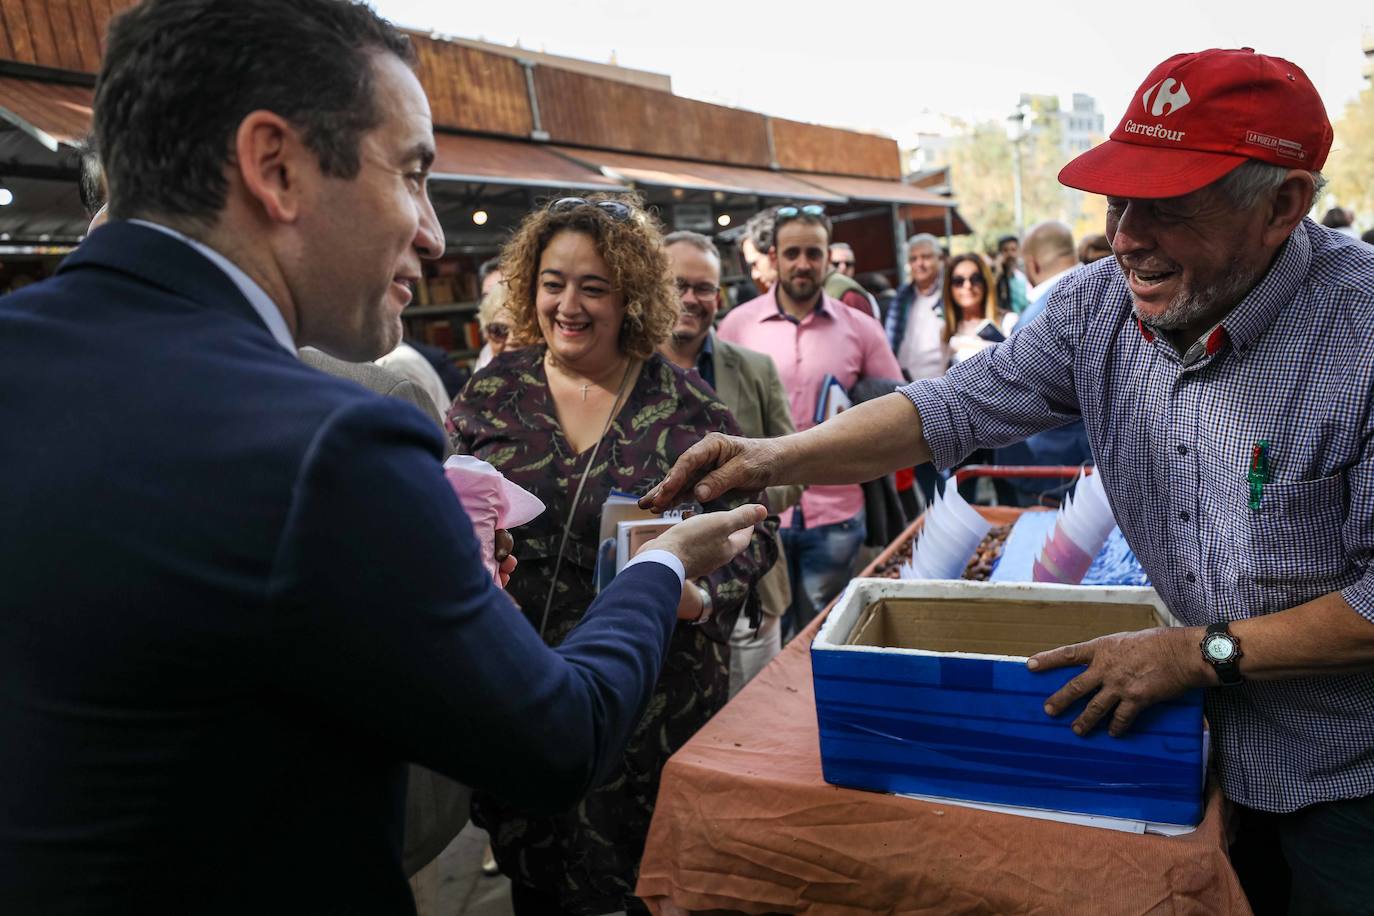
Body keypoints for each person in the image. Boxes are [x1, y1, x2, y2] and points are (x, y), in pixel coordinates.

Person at [0, 2, 766, 912]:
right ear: (275, 167)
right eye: (412, 174)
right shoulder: (329, 445)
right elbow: (556, 741)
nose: (434, 233)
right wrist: (664, 563)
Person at [643, 48, 1374, 915]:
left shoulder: (1360, 333)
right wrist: (777, 458)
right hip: (1200, 749)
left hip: (1349, 771)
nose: (1129, 235)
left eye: (1170, 205)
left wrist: (1192, 652)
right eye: (1118, 198)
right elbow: (945, 410)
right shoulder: (1090, 306)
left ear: (1283, 205)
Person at [448, 196, 776, 916]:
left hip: (650, 705)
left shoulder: (693, 410)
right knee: (536, 884)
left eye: (593, 287)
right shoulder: (491, 395)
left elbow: (757, 535)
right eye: (553, 281)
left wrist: (699, 593)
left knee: (647, 890)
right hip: (525, 696)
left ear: (631, 296)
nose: (569, 304)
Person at [716, 203, 903, 639]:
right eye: (793, 253)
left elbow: (895, 406)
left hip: (836, 513)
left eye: (814, 253)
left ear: (827, 257)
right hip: (757, 514)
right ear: (775, 257)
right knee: (766, 632)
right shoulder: (737, 325)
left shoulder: (860, 328)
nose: (803, 264)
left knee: (824, 632)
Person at [659, 229, 800, 694]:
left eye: (703, 288)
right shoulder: (623, 371)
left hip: (751, 587)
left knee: (750, 723)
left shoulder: (755, 369)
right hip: (658, 586)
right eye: (677, 284)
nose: (690, 298)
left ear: (718, 296)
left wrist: (736, 507)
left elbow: (795, 471)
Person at [994, 221, 1091, 504]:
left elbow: (1015, 401)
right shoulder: (1106, 294)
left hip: (1051, 469)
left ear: (1033, 264)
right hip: (1096, 465)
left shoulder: (1039, 317)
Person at [943, 252, 1009, 365]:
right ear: (949, 288)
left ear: (985, 283)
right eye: (958, 281)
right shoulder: (946, 330)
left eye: (975, 278)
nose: (967, 286)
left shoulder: (1007, 321)